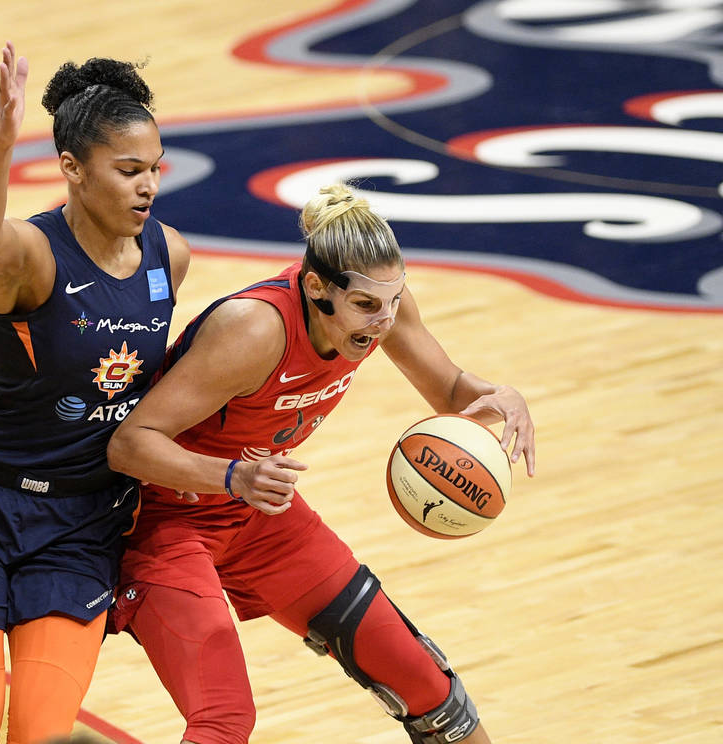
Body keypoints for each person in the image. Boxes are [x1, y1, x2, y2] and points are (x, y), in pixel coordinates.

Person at [106, 183, 535, 744]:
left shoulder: (382, 308)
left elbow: (452, 392)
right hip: (164, 519)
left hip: (257, 513)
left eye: (392, 301)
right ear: (315, 287)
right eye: (365, 305)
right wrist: (232, 477)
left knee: (433, 694)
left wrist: (502, 396)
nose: (382, 321)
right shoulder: (254, 329)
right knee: (224, 721)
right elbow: (129, 444)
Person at [0, 41, 190, 744]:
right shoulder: (31, 253)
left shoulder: (169, 257)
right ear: (72, 170)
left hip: (79, 526)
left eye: (154, 169)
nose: (147, 186)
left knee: (39, 737)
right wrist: (0, 141)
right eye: (128, 171)